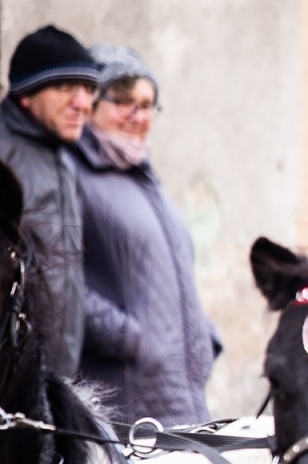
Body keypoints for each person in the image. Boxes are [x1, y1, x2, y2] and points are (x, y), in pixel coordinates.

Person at [71, 45, 218, 425]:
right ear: (90, 102)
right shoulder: (73, 175)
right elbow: (59, 282)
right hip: (124, 399)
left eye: (147, 104)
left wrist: (204, 335)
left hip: (179, 396)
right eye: (122, 101)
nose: (138, 116)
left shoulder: (147, 183)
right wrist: (128, 338)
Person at [0, 25, 100, 376]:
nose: (82, 104)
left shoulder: (61, 160)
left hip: (51, 379)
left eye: (89, 90)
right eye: (65, 88)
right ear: (26, 93)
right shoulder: (5, 155)